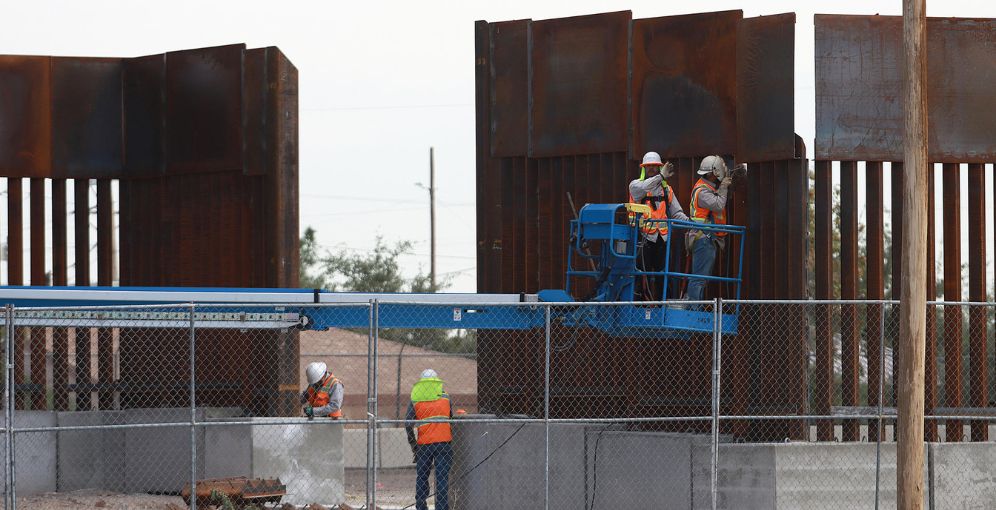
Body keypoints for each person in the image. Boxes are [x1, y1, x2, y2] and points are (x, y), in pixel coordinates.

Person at [629, 151, 690, 300]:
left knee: (663, 276)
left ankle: (663, 307)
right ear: (643, 168)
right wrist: (661, 176)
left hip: (662, 239)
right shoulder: (636, 186)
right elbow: (646, 187)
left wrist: (692, 224)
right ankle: (640, 308)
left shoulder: (667, 190)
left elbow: (676, 213)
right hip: (642, 238)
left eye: (655, 166)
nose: (652, 169)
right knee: (642, 276)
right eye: (648, 166)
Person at [686, 155, 739, 302]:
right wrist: (723, 188)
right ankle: (693, 309)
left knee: (702, 277)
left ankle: (695, 307)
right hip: (703, 238)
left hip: (705, 238)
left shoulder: (706, 188)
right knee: (699, 278)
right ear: (711, 173)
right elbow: (718, 205)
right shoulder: (702, 192)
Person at [405, 369, 453, 510]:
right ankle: (442, 508)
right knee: (442, 478)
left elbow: (408, 424)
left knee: (422, 477)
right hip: (444, 442)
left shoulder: (415, 399)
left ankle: (421, 506)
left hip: (424, 444)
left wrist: (414, 445)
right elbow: (450, 417)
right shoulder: (446, 397)